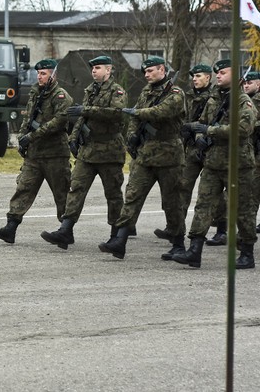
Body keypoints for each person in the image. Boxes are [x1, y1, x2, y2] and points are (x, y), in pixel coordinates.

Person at [99, 56, 185, 260]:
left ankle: (178, 243)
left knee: (171, 201)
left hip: (168, 155)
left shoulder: (175, 93)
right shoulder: (147, 92)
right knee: (132, 197)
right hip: (145, 154)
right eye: (145, 72)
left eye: (150, 71)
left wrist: (137, 113)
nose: (146, 75)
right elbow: (134, 119)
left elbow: (161, 112)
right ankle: (120, 240)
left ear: (162, 70)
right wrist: (132, 136)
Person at [173, 59, 257, 269]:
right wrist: (198, 135)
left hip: (238, 164)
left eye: (223, 73)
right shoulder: (214, 99)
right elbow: (203, 122)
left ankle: (246, 252)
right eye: (217, 73)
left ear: (237, 78)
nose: (218, 75)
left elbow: (243, 130)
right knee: (203, 205)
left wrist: (209, 131)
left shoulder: (243, 101)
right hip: (213, 161)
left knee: (242, 209)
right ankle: (194, 250)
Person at [41, 55, 126, 249]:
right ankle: (66, 230)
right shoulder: (90, 90)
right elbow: (81, 118)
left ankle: (117, 236)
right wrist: (73, 138)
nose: (94, 71)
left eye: (98, 68)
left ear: (108, 70)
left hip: (109, 151)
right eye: (93, 68)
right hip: (88, 152)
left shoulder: (117, 91)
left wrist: (85, 110)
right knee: (76, 189)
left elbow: (116, 113)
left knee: (113, 195)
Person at [0, 58, 72, 244]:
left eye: (44, 73)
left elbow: (59, 122)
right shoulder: (36, 94)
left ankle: (66, 229)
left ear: (53, 75)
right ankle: (10, 228)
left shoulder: (61, 96)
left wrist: (32, 137)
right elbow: (28, 120)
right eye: (38, 73)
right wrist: (22, 138)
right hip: (34, 155)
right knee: (23, 189)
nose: (39, 76)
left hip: (55, 154)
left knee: (62, 194)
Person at [157, 64, 226, 249]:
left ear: (208, 78)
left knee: (214, 192)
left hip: (209, 148)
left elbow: (212, 122)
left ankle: (221, 230)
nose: (195, 79)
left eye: (198, 76)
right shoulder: (186, 96)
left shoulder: (216, 97)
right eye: (193, 76)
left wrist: (200, 133)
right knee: (182, 187)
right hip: (191, 149)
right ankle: (175, 227)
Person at [244, 71, 260, 234]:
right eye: (245, 83)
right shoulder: (245, 100)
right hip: (253, 151)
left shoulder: (255, 101)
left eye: (250, 83)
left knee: (252, 194)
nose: (246, 85)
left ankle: (246, 234)